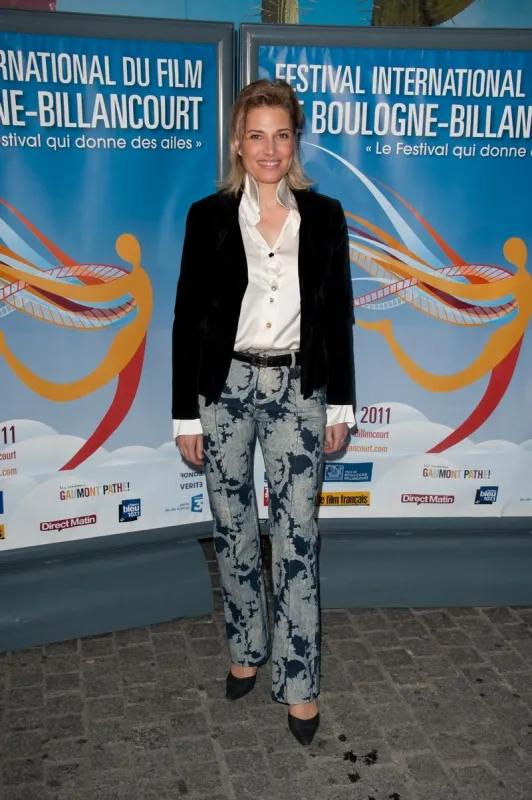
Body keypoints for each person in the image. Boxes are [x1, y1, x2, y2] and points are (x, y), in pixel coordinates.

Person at [172, 79, 356, 746]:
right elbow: (187, 319)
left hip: (298, 389)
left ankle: (300, 681)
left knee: (297, 535)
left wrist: (340, 402)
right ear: (237, 143)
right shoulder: (208, 216)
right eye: (257, 136)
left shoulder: (325, 216)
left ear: (294, 141)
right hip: (223, 389)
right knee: (233, 527)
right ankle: (246, 647)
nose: (269, 149)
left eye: (281, 135)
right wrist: (185, 416)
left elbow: (337, 315)